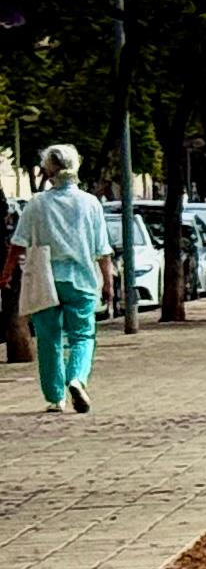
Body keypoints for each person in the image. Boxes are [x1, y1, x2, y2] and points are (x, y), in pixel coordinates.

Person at [14, 145, 115, 414]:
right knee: (82, 336)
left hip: (45, 279)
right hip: (81, 279)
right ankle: (77, 379)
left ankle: (55, 397)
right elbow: (102, 250)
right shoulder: (90, 203)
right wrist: (108, 283)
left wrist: (5, 273)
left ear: (48, 170)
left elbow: (18, 243)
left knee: (49, 340)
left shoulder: (37, 204)